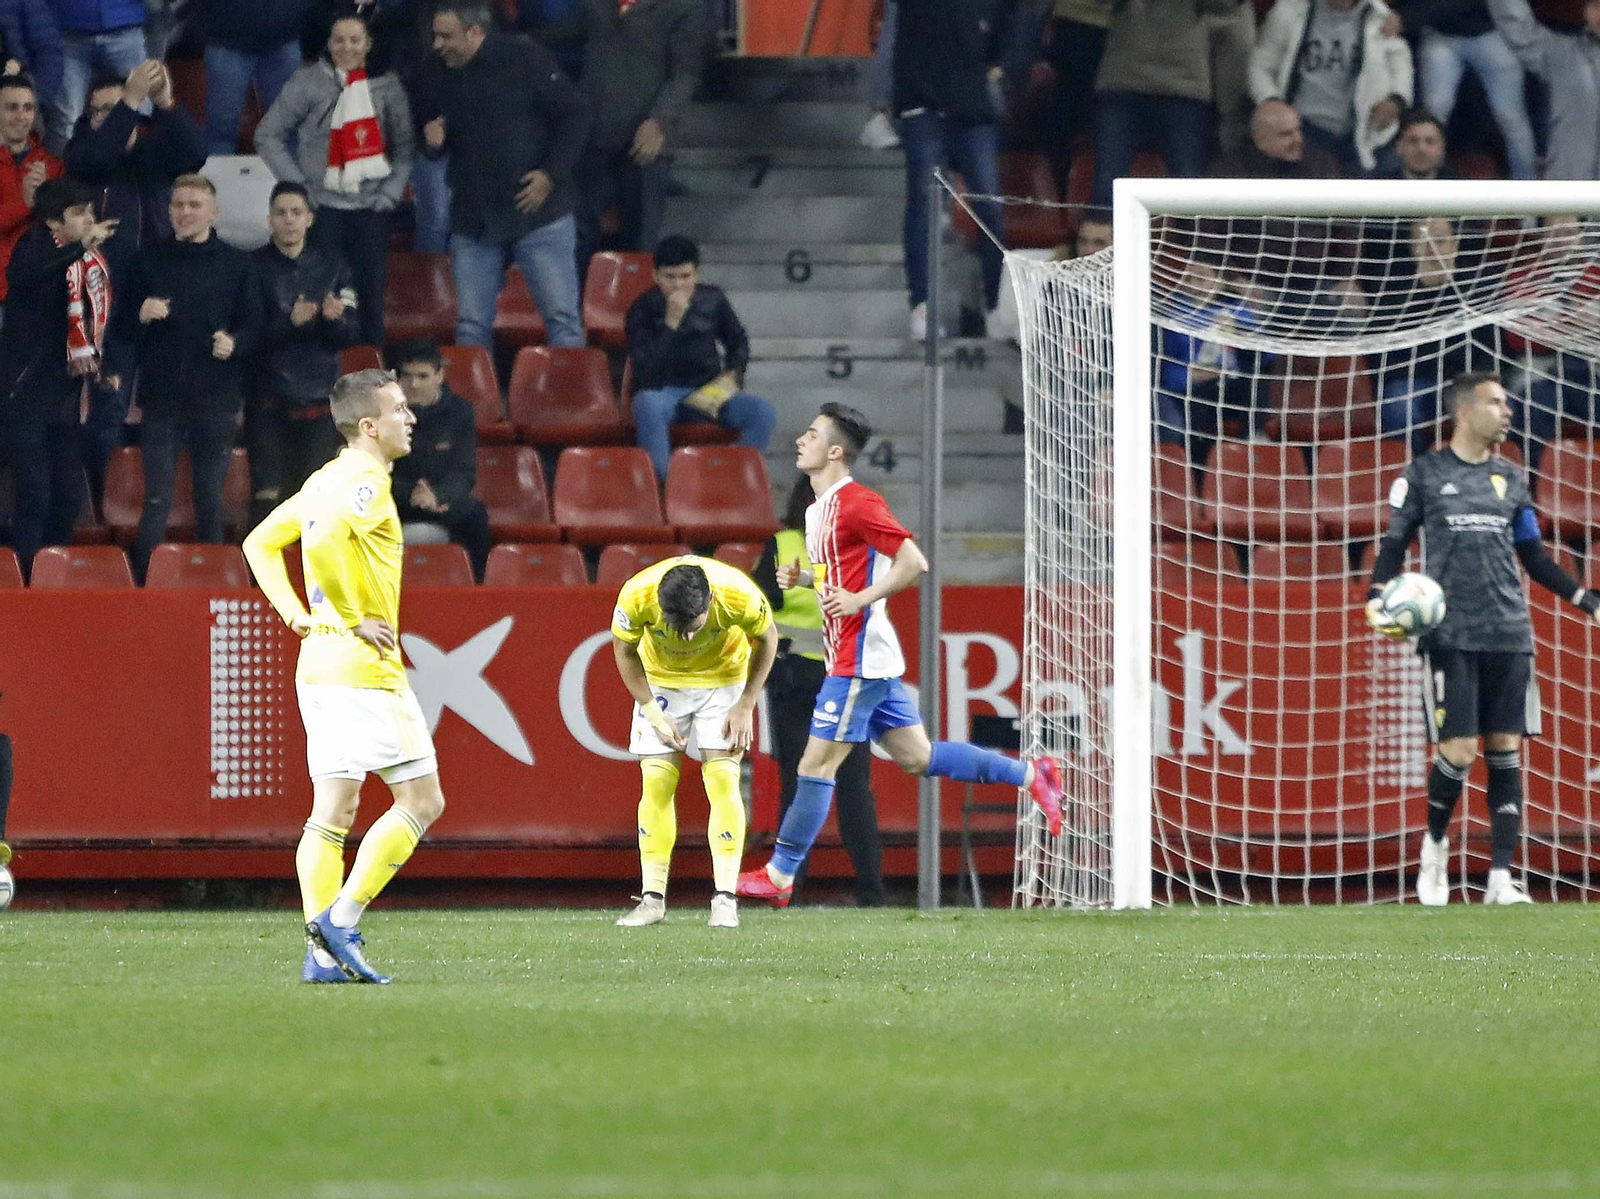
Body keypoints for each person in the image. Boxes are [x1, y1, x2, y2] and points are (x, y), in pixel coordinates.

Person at [736, 403, 1066, 907]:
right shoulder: (819, 509)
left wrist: (858, 601)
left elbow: (913, 562)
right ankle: (1032, 773)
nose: (800, 441)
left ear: (835, 451)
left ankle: (780, 877)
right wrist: (806, 579)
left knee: (814, 766)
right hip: (869, 660)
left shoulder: (859, 503)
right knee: (919, 757)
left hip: (857, 661)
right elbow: (849, 575)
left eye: (811, 434)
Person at [1364, 372, 1600, 905]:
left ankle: (1498, 878)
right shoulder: (1423, 475)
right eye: (1496, 403)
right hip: (1450, 633)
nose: (1507, 412)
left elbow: (1534, 557)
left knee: (1504, 749)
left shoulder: (1513, 480)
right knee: (1460, 747)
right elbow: (1394, 545)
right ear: (1464, 412)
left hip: (1510, 631)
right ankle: (1435, 849)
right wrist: (1378, 593)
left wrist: (1586, 599)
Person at [243, 368, 444, 984]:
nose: (410, 417)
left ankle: (321, 955)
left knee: (331, 811)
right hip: (363, 669)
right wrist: (356, 617)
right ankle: (342, 918)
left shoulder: (323, 479)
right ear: (369, 425)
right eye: (400, 409)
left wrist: (298, 615)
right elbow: (326, 540)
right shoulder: (363, 483)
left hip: (319, 665)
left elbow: (258, 543)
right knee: (423, 800)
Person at [611, 555, 779, 929]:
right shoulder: (636, 596)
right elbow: (623, 650)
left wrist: (747, 702)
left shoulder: (739, 594)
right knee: (656, 782)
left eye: (694, 625)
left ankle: (725, 899)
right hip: (661, 681)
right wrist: (651, 711)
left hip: (723, 680)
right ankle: (652, 899)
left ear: (711, 602)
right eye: (676, 625)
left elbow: (768, 639)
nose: (686, 636)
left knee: (722, 779)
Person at [63, 59, 204, 498]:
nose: (111, 116)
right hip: (108, 310)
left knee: (168, 415)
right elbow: (98, 156)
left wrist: (164, 103)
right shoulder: (82, 156)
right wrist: (128, 98)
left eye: (118, 107)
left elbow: (194, 154)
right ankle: (100, 504)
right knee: (107, 415)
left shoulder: (152, 154)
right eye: (101, 110)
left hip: (161, 302)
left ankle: (155, 506)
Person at [420, 1, 590, 351]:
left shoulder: (526, 58)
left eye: (446, 36)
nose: (438, 45)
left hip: (539, 212)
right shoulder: (437, 70)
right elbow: (437, 133)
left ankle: (566, 404)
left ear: (475, 32)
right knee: (469, 328)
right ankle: (473, 406)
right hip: (474, 217)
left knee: (563, 324)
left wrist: (550, 174)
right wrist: (435, 143)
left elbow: (576, 114)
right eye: (435, 36)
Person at [755, 477, 887, 906]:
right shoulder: (856, 546)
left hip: (794, 677)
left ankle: (789, 892)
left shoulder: (784, 544)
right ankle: (872, 893)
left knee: (797, 783)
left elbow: (756, 607)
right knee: (854, 786)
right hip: (848, 674)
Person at [123, 173, 261, 580]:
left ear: (213, 212)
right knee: (156, 500)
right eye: (178, 205)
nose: (185, 212)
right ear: (168, 211)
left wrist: (235, 344)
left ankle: (213, 582)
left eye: (194, 205)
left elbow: (255, 326)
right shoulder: (147, 259)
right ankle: (145, 584)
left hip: (215, 397)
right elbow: (121, 332)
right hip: (161, 397)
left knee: (210, 499)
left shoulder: (237, 263)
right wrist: (140, 314)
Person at [255, 11, 414, 348]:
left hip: (370, 209)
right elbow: (267, 134)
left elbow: (405, 146)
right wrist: (299, 188)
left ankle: (373, 374)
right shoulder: (308, 82)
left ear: (368, 45)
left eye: (355, 40)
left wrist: (390, 192)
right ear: (328, 44)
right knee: (321, 297)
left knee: (370, 297)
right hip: (322, 208)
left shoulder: (388, 86)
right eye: (339, 40)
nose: (347, 47)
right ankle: (325, 378)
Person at [0, 176, 116, 576]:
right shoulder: (32, 250)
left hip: (66, 397)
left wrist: (104, 366)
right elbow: (26, 276)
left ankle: (56, 575)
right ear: (53, 223)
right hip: (25, 396)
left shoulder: (85, 262)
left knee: (68, 495)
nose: (88, 220)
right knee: (34, 495)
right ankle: (28, 581)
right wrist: (79, 247)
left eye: (89, 211)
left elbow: (93, 320)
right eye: (78, 213)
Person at [893, 0, 1016, 341]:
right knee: (923, 200)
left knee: (989, 205)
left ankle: (995, 305)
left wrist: (1004, 65)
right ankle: (922, 305)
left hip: (972, 107)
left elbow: (1018, 18)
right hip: (922, 102)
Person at [625, 233, 775, 482]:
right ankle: (666, 482)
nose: (678, 285)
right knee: (646, 403)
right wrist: (670, 324)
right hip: (663, 391)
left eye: (685, 277)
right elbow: (644, 369)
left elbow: (738, 340)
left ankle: (732, 478)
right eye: (669, 278)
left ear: (696, 274)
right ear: (655, 276)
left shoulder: (713, 299)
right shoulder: (641, 309)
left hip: (708, 390)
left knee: (762, 411)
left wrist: (734, 372)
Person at [248, 180, 356, 526]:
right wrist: (289, 323)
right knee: (268, 494)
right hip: (267, 399)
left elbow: (350, 335)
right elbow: (245, 340)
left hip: (319, 398)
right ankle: (260, 578)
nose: (289, 220)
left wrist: (334, 321)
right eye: (281, 213)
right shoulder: (252, 268)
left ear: (310, 218)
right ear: (269, 220)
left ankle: (314, 579)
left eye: (296, 212)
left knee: (316, 498)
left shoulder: (335, 266)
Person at [573, 0, 704, 271]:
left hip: (646, 140)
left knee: (639, 240)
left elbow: (686, 73)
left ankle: (635, 309)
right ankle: (573, 310)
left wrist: (659, 121)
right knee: (577, 235)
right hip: (594, 135)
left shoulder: (686, 6)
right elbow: (574, 31)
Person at [1091, 0, 1242, 206]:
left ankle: (1188, 239)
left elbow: (1226, 5)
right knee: (1106, 187)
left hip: (1184, 86)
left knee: (1188, 191)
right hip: (1124, 80)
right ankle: (1101, 238)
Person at [1249, 0, 1413, 175]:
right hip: (1303, 131)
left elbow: (1400, 62)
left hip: (1361, 134)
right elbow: (1261, 65)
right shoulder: (1289, 11)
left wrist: (1396, 100)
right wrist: (1271, 102)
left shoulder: (1379, 16)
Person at [388, 337, 491, 579]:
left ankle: (477, 592)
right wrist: (411, 494)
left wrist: (438, 495)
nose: (413, 384)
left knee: (476, 515)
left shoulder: (460, 412)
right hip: (396, 501)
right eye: (407, 376)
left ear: (440, 376)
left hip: (441, 501)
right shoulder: (383, 412)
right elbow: (375, 470)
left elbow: (465, 471)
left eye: (422, 376)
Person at [1398, 0, 1534, 180]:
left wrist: (1409, 18)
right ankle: (1430, 189)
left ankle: (1529, 192)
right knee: (1434, 114)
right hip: (1440, 34)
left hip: (1492, 32)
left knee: (1510, 117)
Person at [1488, 0, 1600, 179]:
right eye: (1595, 6)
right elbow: (1520, 31)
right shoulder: (1562, 54)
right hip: (1569, 188)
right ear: (1586, 12)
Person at [202, 0, 311, 156]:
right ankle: (215, 179)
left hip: (283, 33)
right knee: (222, 130)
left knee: (289, 127)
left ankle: (292, 181)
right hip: (226, 35)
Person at [46, 0, 146, 152]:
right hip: (66, 29)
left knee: (142, 110)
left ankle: (144, 174)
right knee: (66, 119)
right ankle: (64, 174)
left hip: (126, 25)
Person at [0, 75, 64, 310]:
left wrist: (47, 200)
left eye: (28, 108)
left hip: (39, 297)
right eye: (11, 107)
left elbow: (63, 227)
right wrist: (26, 203)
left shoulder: (53, 166)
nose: (21, 116)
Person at [1209, 84, 1343, 177]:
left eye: (1298, 130)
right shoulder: (1230, 175)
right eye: (1286, 134)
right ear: (1260, 139)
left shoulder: (1321, 168)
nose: (1297, 139)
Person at [1370, 107, 1456, 181]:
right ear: (1400, 146)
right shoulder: (1381, 187)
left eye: (1430, 141)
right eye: (1413, 141)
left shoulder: (1459, 187)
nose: (1421, 148)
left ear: (1441, 148)